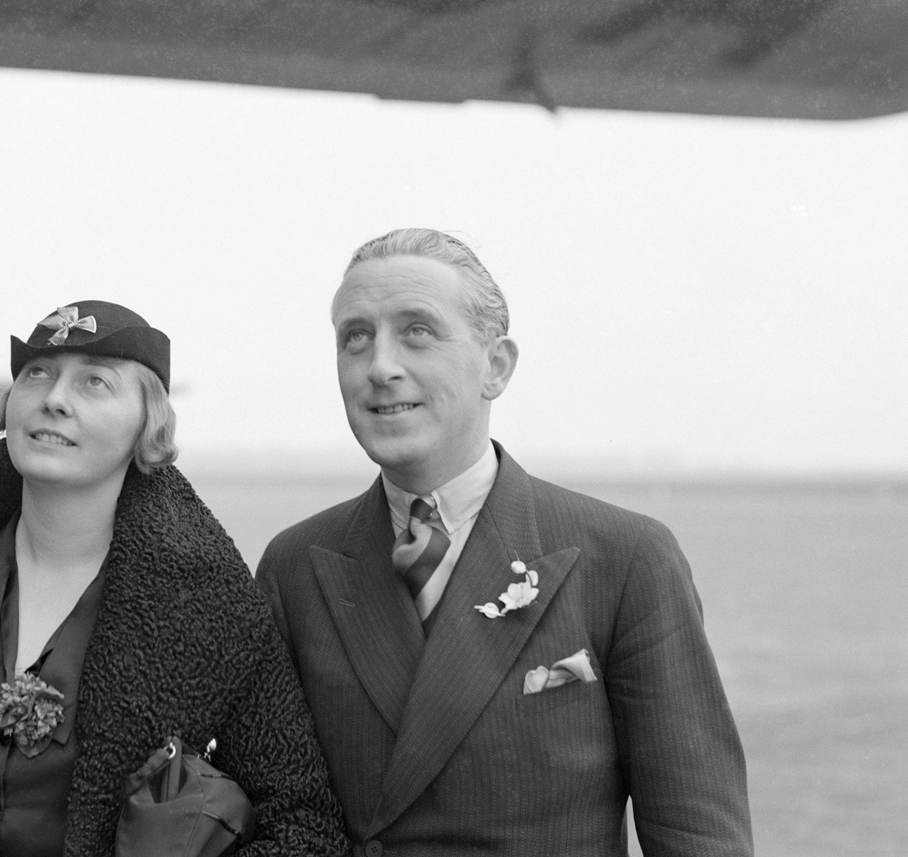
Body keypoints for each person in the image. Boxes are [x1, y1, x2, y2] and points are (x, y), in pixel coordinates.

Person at [0, 300, 349, 857]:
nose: (54, 400)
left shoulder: (211, 607)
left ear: (146, 425)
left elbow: (303, 825)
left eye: (95, 383)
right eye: (37, 375)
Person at [255, 229, 753, 856]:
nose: (380, 366)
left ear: (496, 366)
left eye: (417, 331)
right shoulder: (295, 566)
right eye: (356, 337)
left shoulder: (626, 559)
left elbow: (696, 833)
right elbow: (272, 814)